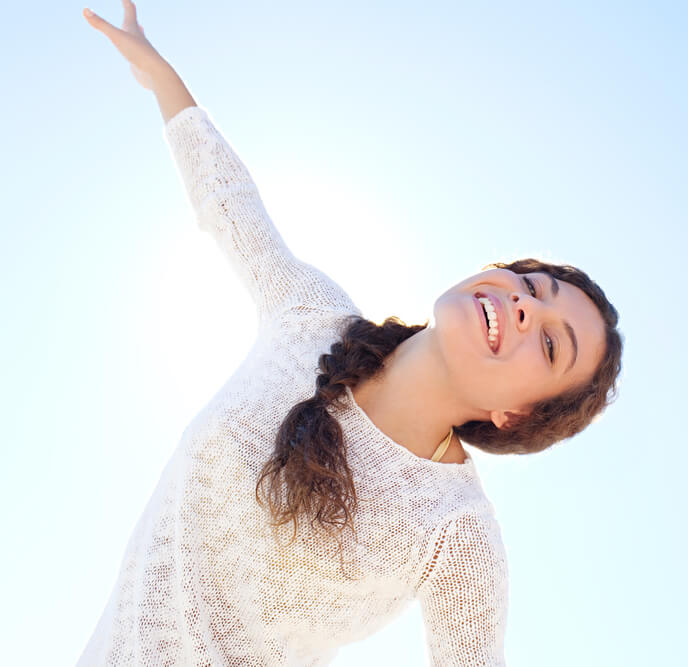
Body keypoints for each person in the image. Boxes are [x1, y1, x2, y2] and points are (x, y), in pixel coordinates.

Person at [80, 2, 624, 665]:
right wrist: (160, 74)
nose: (524, 307)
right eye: (531, 286)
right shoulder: (310, 317)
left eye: (550, 344)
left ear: (516, 416)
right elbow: (227, 202)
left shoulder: (454, 532)